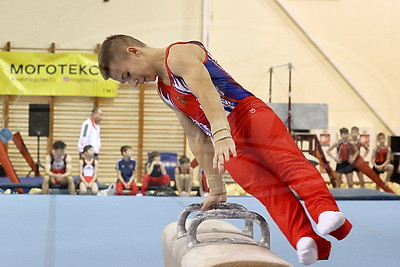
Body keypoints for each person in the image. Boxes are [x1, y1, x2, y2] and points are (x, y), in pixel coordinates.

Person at [97, 34, 352, 265]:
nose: (132, 83)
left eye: (127, 75)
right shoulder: (164, 93)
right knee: (265, 189)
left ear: (134, 52)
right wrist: (216, 187)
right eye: (125, 81)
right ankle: (306, 239)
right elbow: (195, 135)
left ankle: (323, 209)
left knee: (287, 163)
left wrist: (221, 135)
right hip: (223, 138)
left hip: (247, 115)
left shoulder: (178, 54)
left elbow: (208, 93)